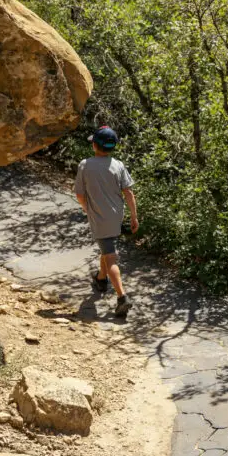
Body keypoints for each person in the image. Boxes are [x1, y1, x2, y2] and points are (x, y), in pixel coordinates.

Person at [75, 125, 138, 318]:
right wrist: (134, 216)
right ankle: (101, 279)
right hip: (116, 216)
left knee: (111, 257)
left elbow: (79, 194)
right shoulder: (118, 165)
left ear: (94, 145)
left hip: (99, 217)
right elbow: (128, 192)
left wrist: (87, 209)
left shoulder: (85, 165)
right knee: (107, 247)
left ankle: (122, 297)